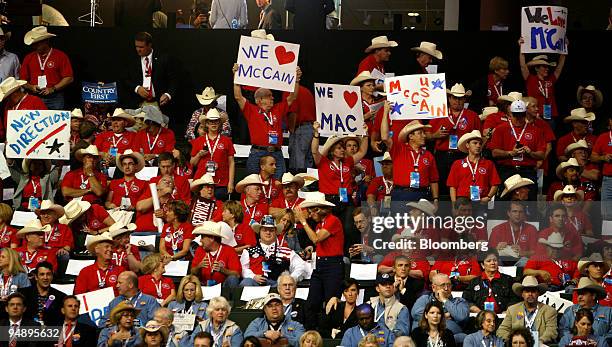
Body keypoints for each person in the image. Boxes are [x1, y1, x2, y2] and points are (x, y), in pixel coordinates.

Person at [232, 63, 301, 178]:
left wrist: (297, 80)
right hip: (257, 152)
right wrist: (236, 76)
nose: (273, 98)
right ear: (260, 100)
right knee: (253, 182)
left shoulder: (278, 109)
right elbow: (238, 96)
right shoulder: (251, 110)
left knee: (279, 182)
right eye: (269, 96)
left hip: (276, 152)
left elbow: (292, 97)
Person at [294, 192, 344, 328]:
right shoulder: (318, 225)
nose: (310, 215)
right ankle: (311, 332)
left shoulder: (333, 220)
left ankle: (329, 334)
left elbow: (316, 239)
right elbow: (317, 242)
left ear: (318, 209)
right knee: (312, 303)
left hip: (333, 265)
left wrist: (303, 221)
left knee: (331, 303)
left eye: (311, 212)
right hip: (320, 264)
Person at [428, 84, 482, 195]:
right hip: (441, 156)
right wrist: (435, 135)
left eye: (460, 98)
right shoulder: (439, 114)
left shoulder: (472, 116)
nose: (457, 101)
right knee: (442, 187)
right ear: (449, 98)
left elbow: (479, 139)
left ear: (465, 99)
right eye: (454, 98)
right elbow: (426, 136)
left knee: (462, 187)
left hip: (463, 156)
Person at [382, 112, 440, 203]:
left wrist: (436, 200)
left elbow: (434, 180)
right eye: (420, 133)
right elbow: (384, 137)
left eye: (423, 133)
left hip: (423, 195)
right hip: (401, 194)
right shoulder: (398, 149)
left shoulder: (428, 155)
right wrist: (385, 113)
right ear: (411, 136)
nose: (424, 136)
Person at [490, 100, 545, 196]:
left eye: (521, 115)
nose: (518, 118)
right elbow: (494, 153)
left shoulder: (536, 131)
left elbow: (542, 155)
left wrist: (530, 153)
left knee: (531, 203)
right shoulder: (500, 129)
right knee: (504, 202)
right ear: (510, 114)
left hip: (527, 170)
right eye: (516, 115)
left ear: (525, 114)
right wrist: (510, 153)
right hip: (507, 169)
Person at [240, 215, 307, 286]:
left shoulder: (287, 252)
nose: (268, 233)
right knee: (246, 282)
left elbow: (301, 266)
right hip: (256, 283)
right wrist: (253, 276)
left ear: (276, 233)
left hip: (278, 285)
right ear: (259, 232)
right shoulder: (248, 251)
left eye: (271, 230)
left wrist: (290, 279)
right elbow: (243, 269)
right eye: (264, 230)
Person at [21, 26, 73, 109]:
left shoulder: (60, 56)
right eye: (34, 44)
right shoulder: (28, 58)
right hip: (34, 97)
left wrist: (53, 89)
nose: (35, 46)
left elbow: (69, 78)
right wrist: (31, 87)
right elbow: (22, 80)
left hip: (55, 97)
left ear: (46, 41)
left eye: (38, 43)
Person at [497, 276, 558, 344]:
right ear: (522, 294)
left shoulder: (549, 311)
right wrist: (514, 341)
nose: (530, 294)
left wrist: (539, 342)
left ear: (538, 293)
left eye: (533, 291)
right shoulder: (512, 310)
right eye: (527, 291)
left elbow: (551, 332)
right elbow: (502, 330)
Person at [447, 130, 500, 207]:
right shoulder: (457, 164)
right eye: (475, 143)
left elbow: (495, 184)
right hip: (462, 203)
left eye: (480, 144)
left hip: (481, 202)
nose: (478, 146)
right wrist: (454, 205)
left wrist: (488, 197)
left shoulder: (489, 164)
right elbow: (452, 186)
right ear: (467, 145)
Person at [190, 108, 235, 198]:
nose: (213, 124)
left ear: (220, 123)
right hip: (202, 182)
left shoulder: (226, 141)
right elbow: (192, 163)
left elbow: (231, 162)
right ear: (206, 124)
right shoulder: (198, 141)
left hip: (221, 182)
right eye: (211, 121)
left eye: (216, 121)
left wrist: (231, 182)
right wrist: (199, 155)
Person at [126, 32, 177, 110]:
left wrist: (168, 94)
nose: (138, 50)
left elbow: (174, 80)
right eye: (136, 46)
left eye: (141, 47)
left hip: (160, 104)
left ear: (149, 45)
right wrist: (137, 88)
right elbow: (125, 79)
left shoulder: (163, 59)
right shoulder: (132, 59)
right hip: (138, 103)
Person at [412, 273, 469, 343]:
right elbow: (416, 313)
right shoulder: (425, 299)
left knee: (463, 337)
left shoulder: (458, 301)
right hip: (425, 336)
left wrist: (444, 300)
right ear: (433, 287)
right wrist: (443, 315)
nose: (446, 288)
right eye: (443, 285)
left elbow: (462, 317)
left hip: (450, 338)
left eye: (449, 285)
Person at [519, 39, 567, 121]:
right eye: (544, 67)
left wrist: (565, 47)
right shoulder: (530, 79)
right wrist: (521, 47)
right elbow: (523, 66)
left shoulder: (551, 79)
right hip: (535, 115)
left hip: (550, 116)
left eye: (547, 67)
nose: (547, 69)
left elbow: (559, 67)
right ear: (537, 68)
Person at [463, 249, 517, 313]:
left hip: (503, 316)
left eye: (495, 260)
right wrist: (478, 311)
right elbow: (466, 299)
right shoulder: (475, 282)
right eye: (489, 261)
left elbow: (515, 299)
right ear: (482, 265)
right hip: (479, 317)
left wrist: (507, 311)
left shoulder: (508, 280)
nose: (492, 263)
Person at [191, 221, 241, 288]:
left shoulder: (229, 250)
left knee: (232, 279)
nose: (200, 241)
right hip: (203, 286)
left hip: (223, 287)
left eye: (202, 237)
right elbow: (192, 271)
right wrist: (199, 267)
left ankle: (230, 298)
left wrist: (222, 270)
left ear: (211, 238)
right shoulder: (200, 250)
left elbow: (237, 275)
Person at [18, 261, 64, 326]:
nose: (45, 278)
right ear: (36, 277)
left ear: (52, 276)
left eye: (48, 274)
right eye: (42, 274)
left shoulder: (60, 297)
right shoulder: (23, 294)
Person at [284, 84, 316, 172]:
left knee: (297, 163)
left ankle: (298, 185)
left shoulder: (290, 90)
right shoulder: (306, 91)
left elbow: (292, 111)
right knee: (308, 162)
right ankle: (307, 184)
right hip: (310, 128)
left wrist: (291, 129)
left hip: (300, 129)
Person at [590, 124, 612, 220]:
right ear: (609, 122)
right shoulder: (603, 137)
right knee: (606, 214)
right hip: (608, 180)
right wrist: (603, 157)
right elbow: (592, 157)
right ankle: (607, 235)